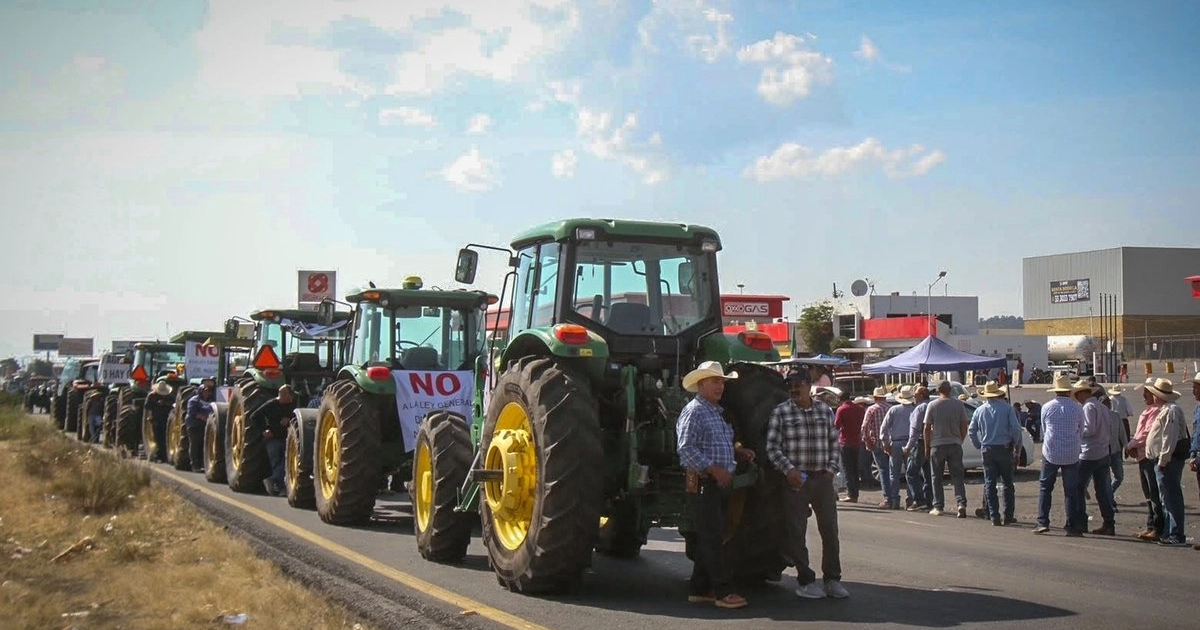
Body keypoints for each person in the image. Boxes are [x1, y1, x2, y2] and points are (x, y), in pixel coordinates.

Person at [675, 361, 752, 609]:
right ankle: (723, 591)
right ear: (701, 384)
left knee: (712, 535)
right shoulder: (695, 411)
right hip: (703, 483)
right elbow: (686, 449)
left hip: (715, 483)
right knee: (711, 537)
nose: (720, 386)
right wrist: (713, 468)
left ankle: (699, 589)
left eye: (722, 381)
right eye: (715, 381)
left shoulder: (716, 413)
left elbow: (717, 446)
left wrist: (738, 454)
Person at [766, 371, 848, 600]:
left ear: (808, 386)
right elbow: (772, 447)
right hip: (796, 480)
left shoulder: (823, 410)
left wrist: (831, 471)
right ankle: (806, 580)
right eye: (790, 385)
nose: (793, 389)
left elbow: (834, 443)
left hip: (822, 478)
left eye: (798, 384)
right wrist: (788, 470)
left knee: (830, 530)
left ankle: (832, 579)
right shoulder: (780, 412)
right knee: (796, 532)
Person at [1034, 376, 1088, 536]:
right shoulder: (1078, 407)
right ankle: (1072, 525)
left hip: (1051, 451)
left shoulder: (1047, 407)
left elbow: (1044, 429)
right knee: (1070, 491)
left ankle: (1043, 522)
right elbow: (1082, 429)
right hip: (1071, 452)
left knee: (1045, 487)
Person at [1140, 378, 1190, 546]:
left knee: (1171, 498)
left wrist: (1163, 459)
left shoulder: (1171, 411)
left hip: (1167, 462)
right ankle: (1170, 532)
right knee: (1166, 498)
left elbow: (1169, 437)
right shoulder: (1166, 409)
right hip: (1163, 461)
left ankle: (1176, 534)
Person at [968, 382, 1022, 525]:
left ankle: (994, 515)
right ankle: (1008, 515)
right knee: (1008, 484)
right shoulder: (1008, 409)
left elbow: (971, 431)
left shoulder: (979, 410)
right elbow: (1016, 430)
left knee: (989, 483)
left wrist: (979, 445)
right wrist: (1015, 446)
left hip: (988, 449)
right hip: (1004, 448)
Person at [923, 381, 970, 518]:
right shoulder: (959, 404)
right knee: (957, 476)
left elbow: (926, 428)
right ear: (950, 390)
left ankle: (938, 506)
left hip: (937, 444)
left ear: (938, 391)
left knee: (936, 477)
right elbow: (964, 425)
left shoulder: (933, 405)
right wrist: (960, 439)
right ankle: (961, 503)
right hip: (954, 443)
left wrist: (927, 446)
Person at [1076, 382, 1115, 536]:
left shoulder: (1088, 407)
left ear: (1083, 393)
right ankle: (1109, 523)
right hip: (1103, 452)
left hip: (1089, 453)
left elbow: (1089, 429)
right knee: (1102, 491)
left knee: (1078, 488)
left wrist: (1076, 430)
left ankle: (1081, 522)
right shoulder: (1103, 407)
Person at [254, 384, 297, 496]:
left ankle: (275, 482)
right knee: (277, 463)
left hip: (287, 439)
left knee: (285, 462)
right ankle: (279, 487)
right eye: (288, 395)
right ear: (283, 395)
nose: (291, 398)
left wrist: (289, 418)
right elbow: (255, 416)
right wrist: (264, 430)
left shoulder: (293, 404)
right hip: (273, 439)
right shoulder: (271, 404)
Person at [880, 385, 915, 510]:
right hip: (910, 443)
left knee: (894, 474)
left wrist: (885, 444)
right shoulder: (914, 410)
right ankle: (911, 499)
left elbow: (883, 429)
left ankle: (894, 500)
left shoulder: (894, 410)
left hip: (896, 442)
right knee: (910, 473)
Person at [902, 386, 933, 512]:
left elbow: (914, 431)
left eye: (915, 395)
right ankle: (929, 500)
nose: (914, 397)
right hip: (931, 442)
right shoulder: (932, 406)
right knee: (928, 474)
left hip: (919, 444)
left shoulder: (919, 409)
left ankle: (919, 500)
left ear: (920, 396)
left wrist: (908, 447)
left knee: (911, 472)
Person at [860, 387, 891, 508]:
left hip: (876, 442)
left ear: (875, 397)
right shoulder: (890, 408)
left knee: (883, 470)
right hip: (889, 442)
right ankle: (893, 496)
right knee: (892, 470)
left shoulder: (871, 409)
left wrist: (867, 441)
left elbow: (864, 427)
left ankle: (888, 498)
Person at [833, 390, 864, 503]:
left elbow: (836, 425)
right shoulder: (859, 409)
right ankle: (855, 492)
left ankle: (851, 494)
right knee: (855, 469)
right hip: (857, 441)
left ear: (839, 398)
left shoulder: (841, 409)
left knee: (847, 469)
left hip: (845, 441)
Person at [1101, 393, 1129, 509]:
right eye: (1105, 403)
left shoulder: (1116, 415)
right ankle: (1109, 501)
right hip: (1103, 452)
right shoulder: (1098, 416)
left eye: (1108, 403)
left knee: (1119, 476)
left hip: (1116, 450)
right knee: (1106, 479)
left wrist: (1126, 447)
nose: (1107, 405)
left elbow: (1122, 433)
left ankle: (1109, 495)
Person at [184, 382, 215, 473]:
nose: (207, 393)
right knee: (195, 445)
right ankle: (194, 465)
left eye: (208, 391)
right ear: (200, 391)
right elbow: (192, 413)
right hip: (194, 426)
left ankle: (202, 465)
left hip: (205, 426)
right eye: (205, 391)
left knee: (202, 445)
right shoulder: (194, 400)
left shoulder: (210, 401)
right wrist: (204, 418)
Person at [145, 380, 175, 462]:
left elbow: (173, 405)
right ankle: (158, 455)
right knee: (157, 437)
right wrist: (157, 404)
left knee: (164, 437)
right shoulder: (151, 396)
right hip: (156, 419)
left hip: (166, 419)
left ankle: (163, 455)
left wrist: (165, 403)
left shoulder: (169, 397)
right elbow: (147, 407)